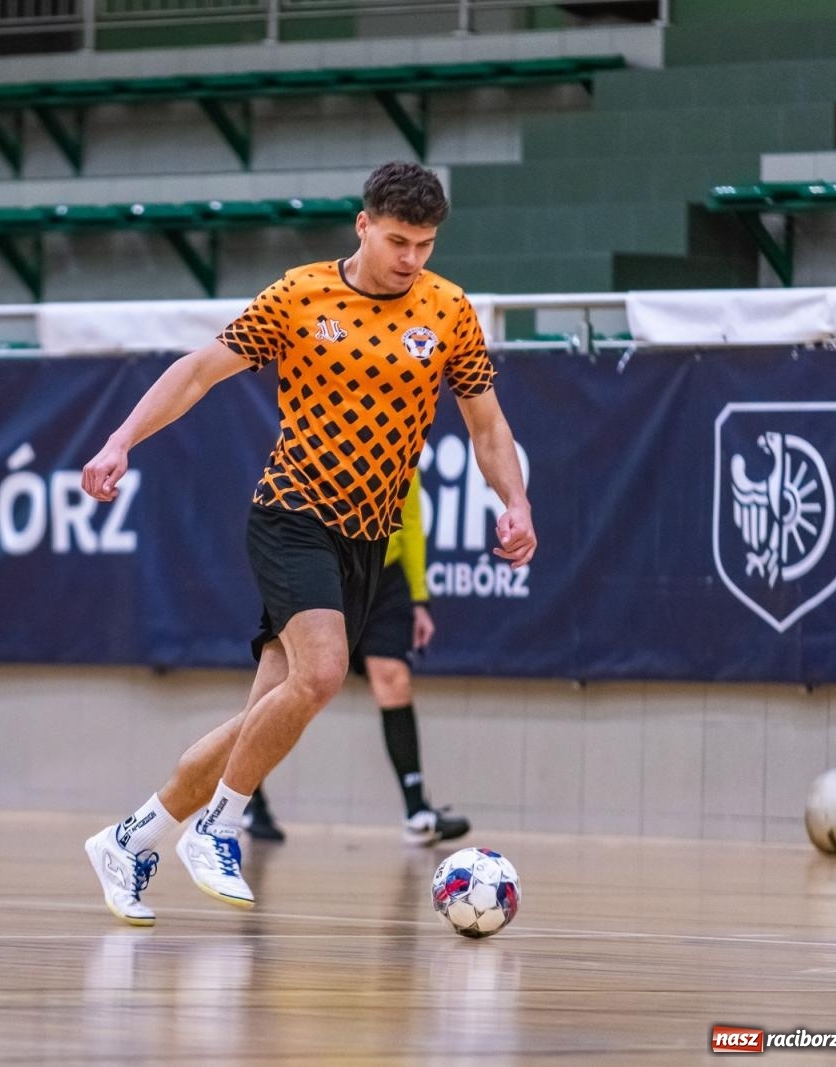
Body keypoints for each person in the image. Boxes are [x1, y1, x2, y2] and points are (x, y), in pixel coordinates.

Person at [80, 162, 534, 926]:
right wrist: (121, 440)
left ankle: (131, 839)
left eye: (424, 244)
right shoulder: (301, 294)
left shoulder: (449, 310)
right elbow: (197, 373)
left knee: (264, 714)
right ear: (362, 225)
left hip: (368, 536)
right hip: (291, 512)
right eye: (397, 240)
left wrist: (515, 500)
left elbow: (486, 424)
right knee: (323, 673)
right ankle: (219, 826)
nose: (411, 258)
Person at [242, 467, 472, 846]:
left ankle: (417, 812)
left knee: (393, 677)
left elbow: (410, 522)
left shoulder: (402, 441)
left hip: (384, 576)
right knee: (287, 688)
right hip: (325, 570)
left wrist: (419, 597)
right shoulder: (324, 435)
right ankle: (246, 799)